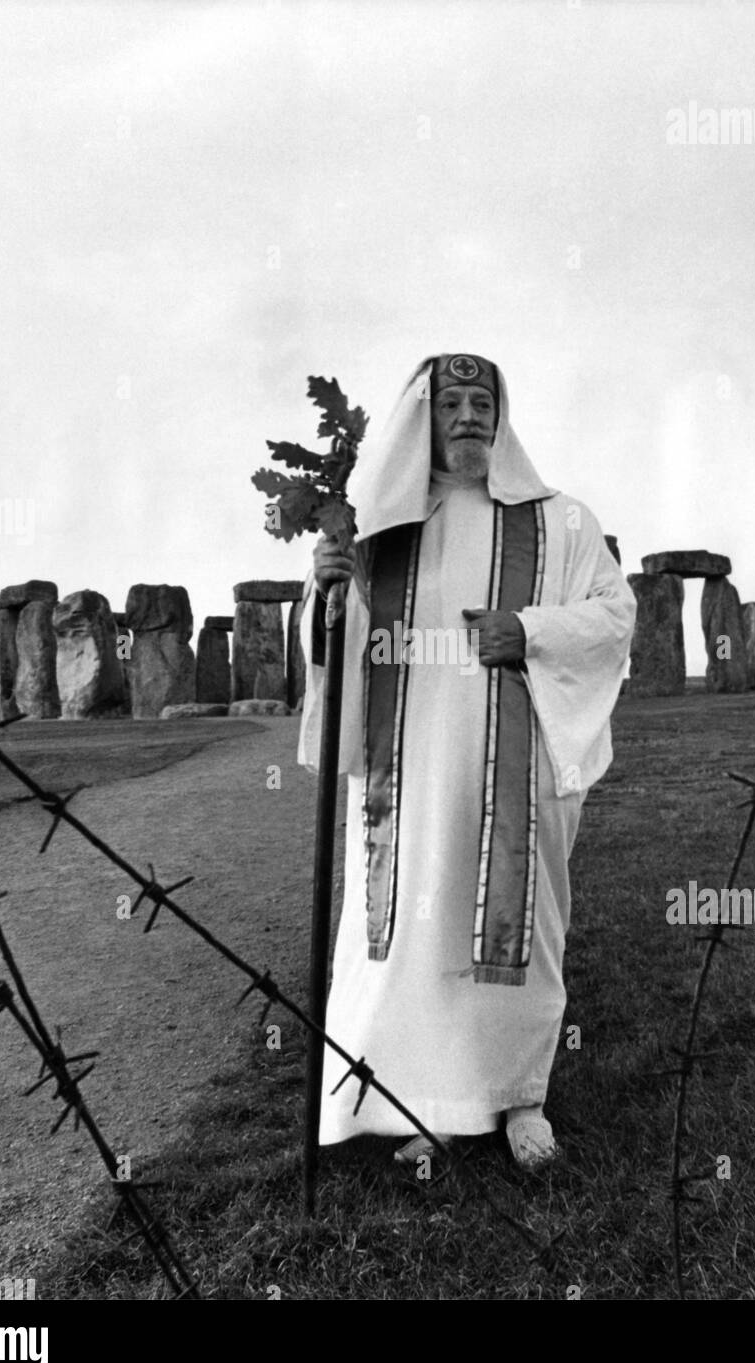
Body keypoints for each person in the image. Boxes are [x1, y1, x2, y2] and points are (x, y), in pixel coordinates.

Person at [298, 352, 635, 1169]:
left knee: (512, 926)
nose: (468, 415)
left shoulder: (562, 523)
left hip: (513, 769)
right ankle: (414, 1102)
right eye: (449, 402)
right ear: (423, 418)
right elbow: (330, 649)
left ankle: (519, 1097)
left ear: (502, 414)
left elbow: (613, 614)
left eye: (482, 400)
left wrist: (527, 631)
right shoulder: (376, 528)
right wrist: (326, 589)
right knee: (414, 924)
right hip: (405, 774)